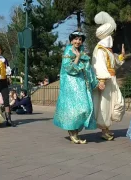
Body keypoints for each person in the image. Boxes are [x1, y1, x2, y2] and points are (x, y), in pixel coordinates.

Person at [53, 30, 101, 144]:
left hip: (81, 84)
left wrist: (96, 82)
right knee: (75, 110)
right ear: (71, 40)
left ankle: (75, 132)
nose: (78, 41)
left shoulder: (83, 51)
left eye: (80, 39)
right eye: (75, 39)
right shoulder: (68, 51)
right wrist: (77, 57)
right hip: (71, 85)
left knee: (86, 108)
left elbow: (89, 69)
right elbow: (68, 68)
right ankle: (73, 134)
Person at [92, 11, 126, 141]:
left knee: (116, 103)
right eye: (110, 34)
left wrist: (121, 55)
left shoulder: (108, 51)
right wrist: (101, 80)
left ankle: (107, 128)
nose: (111, 37)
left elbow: (115, 63)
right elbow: (99, 65)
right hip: (105, 80)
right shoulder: (100, 50)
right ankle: (104, 130)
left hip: (112, 79)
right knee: (105, 105)